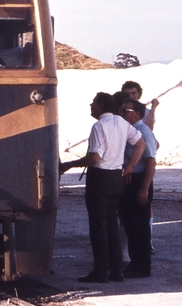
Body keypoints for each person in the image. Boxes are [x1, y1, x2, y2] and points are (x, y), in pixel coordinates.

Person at [60, 92, 146, 283]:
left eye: (93, 103)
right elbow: (141, 144)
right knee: (112, 224)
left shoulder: (99, 126)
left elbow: (94, 158)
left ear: (101, 105)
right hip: (117, 177)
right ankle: (117, 270)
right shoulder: (122, 123)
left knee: (98, 226)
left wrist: (69, 164)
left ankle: (100, 271)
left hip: (100, 177)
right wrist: (129, 167)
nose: (91, 106)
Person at [119, 99, 157, 278]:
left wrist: (144, 188)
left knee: (140, 226)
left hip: (140, 181)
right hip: (129, 180)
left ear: (137, 114)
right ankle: (135, 264)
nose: (123, 113)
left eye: (126, 110)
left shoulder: (144, 132)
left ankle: (142, 266)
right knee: (131, 225)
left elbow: (150, 161)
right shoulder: (131, 132)